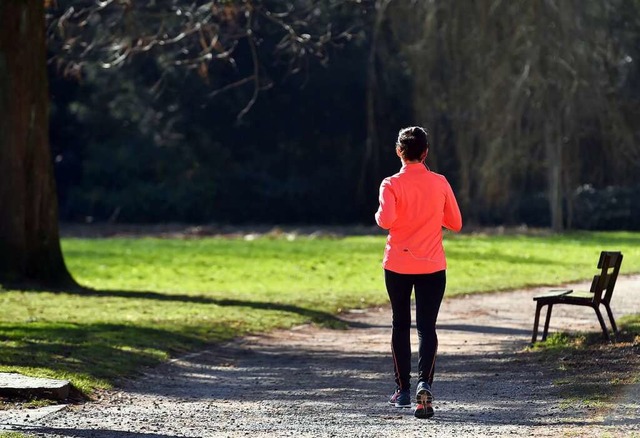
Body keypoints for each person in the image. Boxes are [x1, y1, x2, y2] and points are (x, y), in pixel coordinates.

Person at [375, 126, 462, 419]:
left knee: (400, 324)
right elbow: (456, 222)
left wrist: (380, 214)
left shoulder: (390, 184)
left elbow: (385, 220)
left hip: (397, 264)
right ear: (425, 153)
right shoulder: (440, 182)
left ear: (399, 151)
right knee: (427, 327)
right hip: (432, 265)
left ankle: (402, 391)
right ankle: (426, 382)